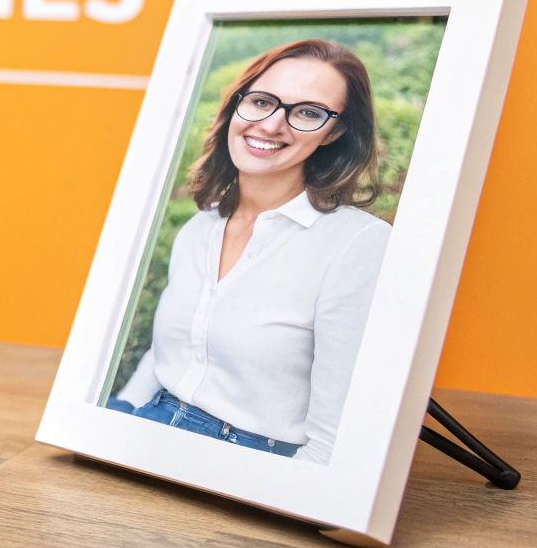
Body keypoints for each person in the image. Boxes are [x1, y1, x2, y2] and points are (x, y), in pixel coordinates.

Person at [110, 39, 388, 465]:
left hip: (249, 460)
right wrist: (118, 417)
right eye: (261, 101)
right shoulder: (199, 228)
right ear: (237, 104)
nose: (273, 124)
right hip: (150, 427)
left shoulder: (356, 244)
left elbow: (333, 437)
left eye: (308, 113)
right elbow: (169, 356)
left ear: (334, 132)